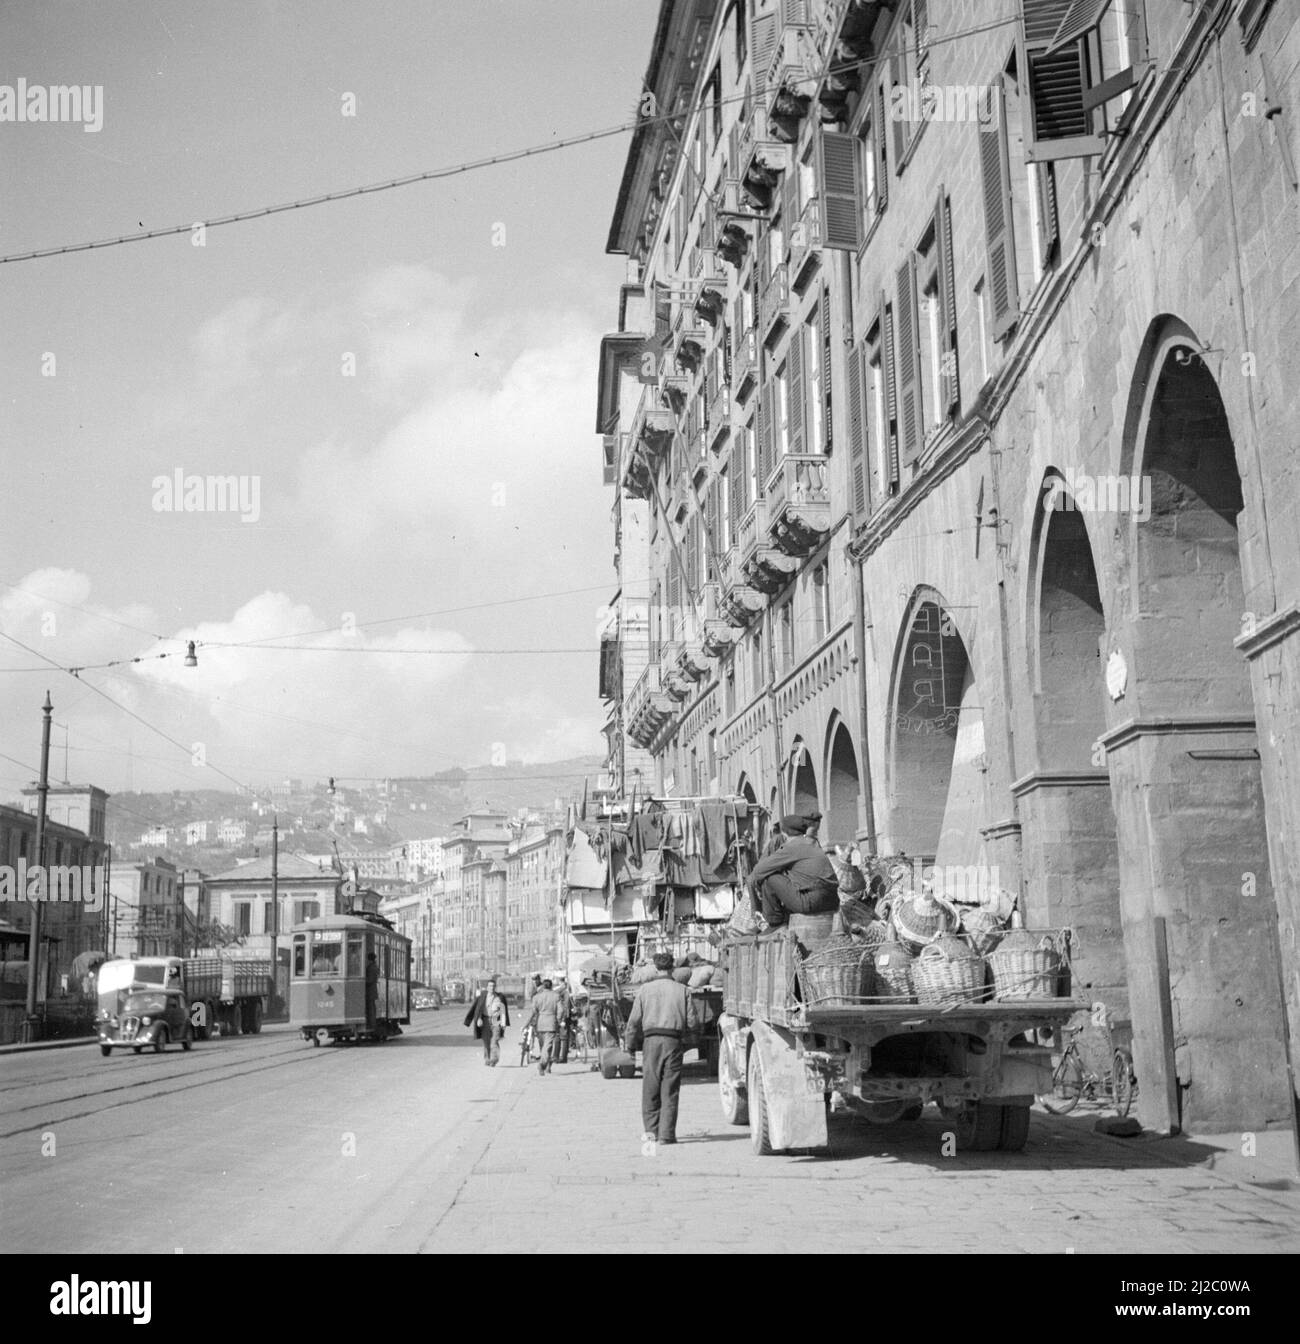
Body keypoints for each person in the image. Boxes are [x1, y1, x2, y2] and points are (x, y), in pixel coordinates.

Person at [622, 952, 691, 1146]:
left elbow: (633, 1022)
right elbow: (692, 1021)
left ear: (655, 968)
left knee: (650, 1088)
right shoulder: (683, 990)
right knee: (670, 1089)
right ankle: (667, 1136)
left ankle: (651, 1134)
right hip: (673, 1042)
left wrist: (629, 1045)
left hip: (651, 1042)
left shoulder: (644, 990)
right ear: (673, 968)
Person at [746, 814, 840, 949]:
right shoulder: (812, 842)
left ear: (784, 833)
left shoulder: (792, 846)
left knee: (769, 876)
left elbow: (758, 871)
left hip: (812, 902)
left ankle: (775, 922)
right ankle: (779, 918)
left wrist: (756, 895)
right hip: (832, 900)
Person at [464, 978, 510, 1066]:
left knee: (494, 1040)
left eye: (493, 986)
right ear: (487, 987)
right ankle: (487, 1058)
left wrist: (504, 1024)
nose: (492, 988)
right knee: (486, 1042)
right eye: (490, 986)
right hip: (485, 1021)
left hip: (496, 1021)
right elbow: (475, 1009)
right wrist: (477, 1019)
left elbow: (504, 1011)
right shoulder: (482, 997)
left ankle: (494, 1059)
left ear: (495, 987)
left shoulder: (500, 997)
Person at [524, 978, 562, 1075]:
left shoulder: (536, 997)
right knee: (548, 1046)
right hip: (551, 1023)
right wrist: (558, 1020)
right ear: (551, 986)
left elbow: (534, 1011)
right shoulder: (556, 996)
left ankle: (547, 1067)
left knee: (544, 1046)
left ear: (544, 986)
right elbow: (561, 1010)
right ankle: (542, 1064)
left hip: (540, 1023)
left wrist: (530, 1021)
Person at [364, 953, 379, 1031]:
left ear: (369, 959)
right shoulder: (374, 966)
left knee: (371, 1008)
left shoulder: (371, 967)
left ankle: (372, 1024)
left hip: (370, 991)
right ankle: (372, 1024)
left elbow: (370, 979)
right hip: (372, 990)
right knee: (371, 1007)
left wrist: (363, 980)